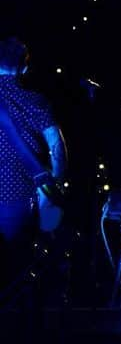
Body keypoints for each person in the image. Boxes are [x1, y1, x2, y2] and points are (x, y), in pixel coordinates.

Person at [0, 38, 66, 288]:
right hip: (19, 198)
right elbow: (57, 147)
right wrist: (54, 184)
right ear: (24, 68)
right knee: (21, 268)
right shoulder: (35, 101)